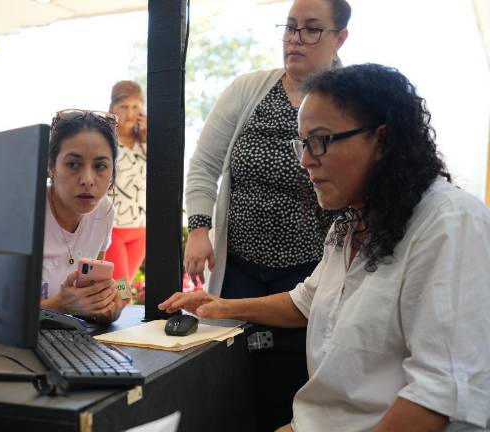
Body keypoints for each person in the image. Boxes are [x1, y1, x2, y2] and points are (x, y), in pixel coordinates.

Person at [161, 63, 490, 432]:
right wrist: (220, 306)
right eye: (302, 143)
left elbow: (436, 398)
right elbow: (306, 301)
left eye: (319, 140)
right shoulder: (351, 224)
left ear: (381, 141)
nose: (304, 160)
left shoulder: (449, 224)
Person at [183, 0, 351, 427]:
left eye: (312, 29)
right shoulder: (248, 90)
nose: (295, 38)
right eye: (290, 27)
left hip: (311, 269)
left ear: (340, 38)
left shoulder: (353, 103)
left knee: (297, 377)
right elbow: (203, 165)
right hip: (239, 267)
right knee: (232, 374)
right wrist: (200, 229)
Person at [39, 109, 129, 324]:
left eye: (100, 166)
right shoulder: (24, 212)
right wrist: (59, 305)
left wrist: (113, 303)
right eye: (73, 164)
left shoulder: (103, 210)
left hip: (67, 344)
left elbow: (123, 286)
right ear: (52, 166)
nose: (88, 180)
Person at [104, 81, 147, 286]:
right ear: (112, 108)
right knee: (120, 289)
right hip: (113, 228)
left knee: (125, 288)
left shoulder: (146, 142)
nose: (130, 113)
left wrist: (149, 139)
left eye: (136, 106)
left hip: (141, 229)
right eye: (124, 106)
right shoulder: (105, 142)